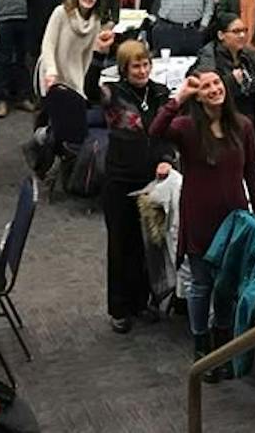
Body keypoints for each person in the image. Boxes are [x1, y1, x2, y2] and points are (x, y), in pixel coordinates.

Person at [150, 71, 255, 381]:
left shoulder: (242, 126)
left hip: (235, 219)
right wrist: (179, 97)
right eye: (205, 87)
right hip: (200, 218)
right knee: (202, 285)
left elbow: (252, 175)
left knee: (227, 286)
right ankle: (201, 347)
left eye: (216, 83)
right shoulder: (187, 128)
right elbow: (155, 129)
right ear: (197, 96)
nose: (213, 89)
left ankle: (222, 347)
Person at [85, 40, 176, 333]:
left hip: (151, 179)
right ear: (125, 69)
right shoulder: (114, 93)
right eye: (135, 66)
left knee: (146, 244)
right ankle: (120, 308)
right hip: (119, 180)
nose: (142, 70)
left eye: (146, 64)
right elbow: (88, 90)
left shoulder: (160, 92)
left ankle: (141, 302)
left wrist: (166, 158)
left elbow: (166, 132)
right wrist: (99, 54)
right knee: (120, 244)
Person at [194, 14, 255, 136]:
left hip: (250, 121)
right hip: (223, 121)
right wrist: (231, 80)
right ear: (221, 35)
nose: (242, 35)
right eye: (236, 31)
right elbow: (205, 89)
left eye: (244, 31)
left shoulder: (251, 57)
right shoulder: (209, 56)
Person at [38, 0, 113, 97]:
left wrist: (84, 76)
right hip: (53, 71)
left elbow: (88, 53)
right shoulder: (61, 12)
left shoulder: (95, 21)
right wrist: (51, 70)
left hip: (76, 74)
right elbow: (49, 43)